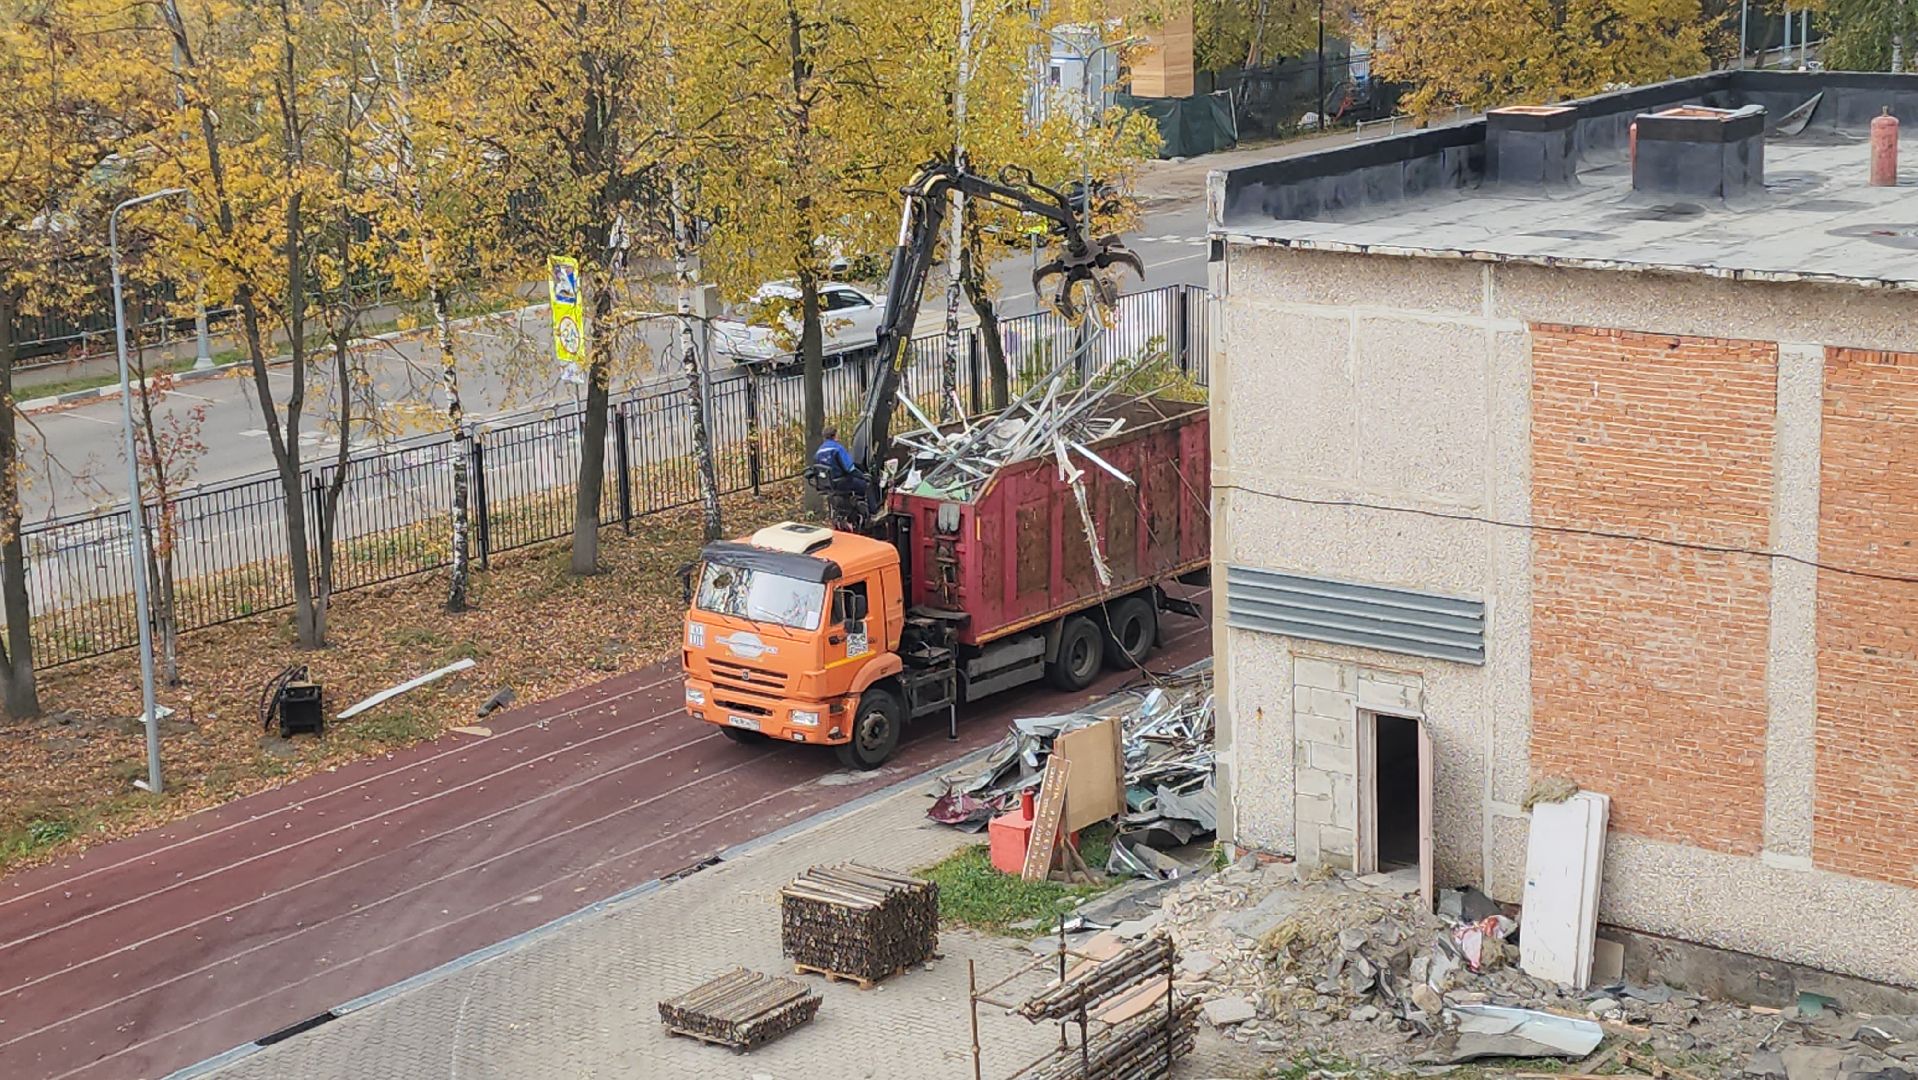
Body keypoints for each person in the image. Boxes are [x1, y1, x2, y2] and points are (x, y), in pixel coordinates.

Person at [813, 426, 870, 515]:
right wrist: (863, 476)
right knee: (865, 485)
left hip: (828, 484)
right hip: (841, 482)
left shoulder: (819, 452)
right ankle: (869, 512)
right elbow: (849, 468)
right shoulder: (837, 449)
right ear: (835, 436)